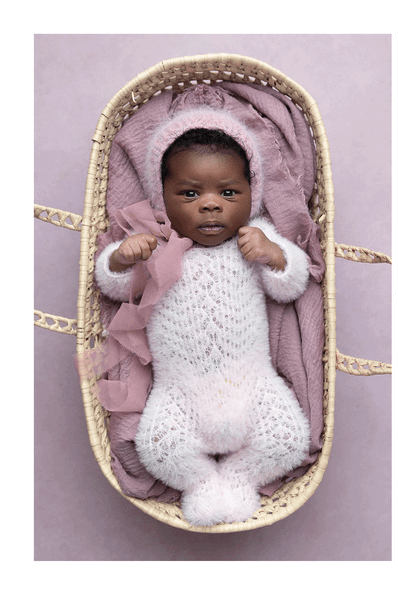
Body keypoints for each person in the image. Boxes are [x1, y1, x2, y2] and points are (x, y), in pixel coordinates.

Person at [96, 105, 312, 527]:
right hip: (180, 391)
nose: (211, 206)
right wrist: (120, 260)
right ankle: (198, 483)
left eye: (229, 193)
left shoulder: (257, 236)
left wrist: (277, 257)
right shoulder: (156, 244)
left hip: (253, 384)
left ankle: (237, 478)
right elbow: (115, 289)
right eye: (190, 194)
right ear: (162, 197)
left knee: (290, 440)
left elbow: (292, 284)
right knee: (157, 446)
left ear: (252, 193)